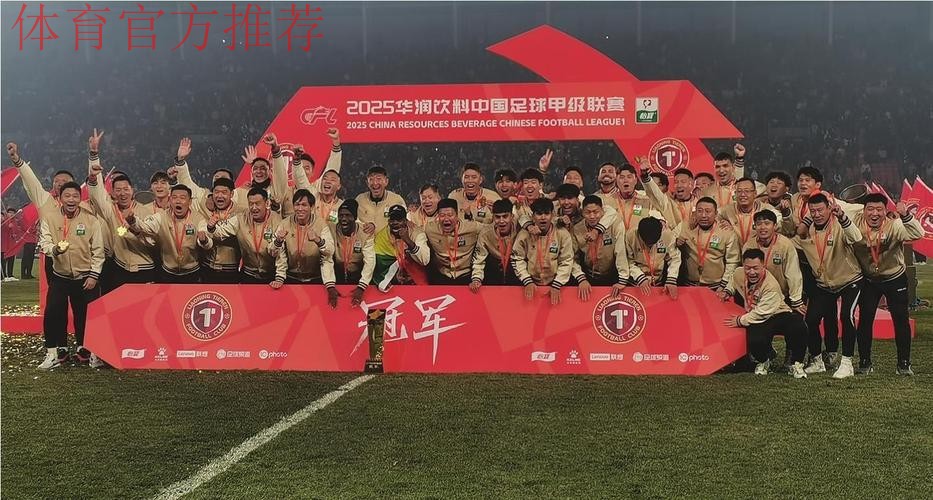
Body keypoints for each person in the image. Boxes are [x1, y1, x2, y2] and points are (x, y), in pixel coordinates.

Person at [792, 193, 863, 377]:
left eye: (820, 210)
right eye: (813, 211)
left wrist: (842, 217)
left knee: (846, 316)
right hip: (824, 284)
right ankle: (817, 361)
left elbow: (856, 237)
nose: (817, 214)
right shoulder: (807, 231)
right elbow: (793, 237)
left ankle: (847, 363)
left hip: (849, 280)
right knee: (811, 320)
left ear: (829, 209)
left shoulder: (839, 225)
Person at [852, 194, 923, 375]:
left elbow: (918, 233)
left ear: (886, 211)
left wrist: (905, 215)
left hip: (894, 278)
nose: (874, 214)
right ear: (863, 210)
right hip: (869, 280)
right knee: (865, 320)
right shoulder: (855, 220)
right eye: (870, 209)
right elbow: (840, 205)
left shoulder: (894, 225)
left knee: (901, 319)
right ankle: (865, 362)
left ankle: (904, 364)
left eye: (879, 209)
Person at [36, 182, 104, 369]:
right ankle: (52, 354)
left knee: (90, 316)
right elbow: (44, 242)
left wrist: (94, 275)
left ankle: (94, 353)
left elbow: (98, 251)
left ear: (80, 199)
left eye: (75, 196)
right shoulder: (50, 218)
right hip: (60, 276)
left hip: (85, 277)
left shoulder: (91, 220)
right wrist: (54, 250)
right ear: (60, 198)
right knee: (52, 313)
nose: (71, 200)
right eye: (67, 196)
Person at [86, 131, 157, 292]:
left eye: (126, 189)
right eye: (118, 190)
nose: (122, 193)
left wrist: (134, 227)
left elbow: (153, 242)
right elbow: (97, 193)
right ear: (112, 193)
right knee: (119, 308)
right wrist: (94, 155)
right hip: (120, 268)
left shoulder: (146, 211)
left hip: (145, 269)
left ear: (133, 190)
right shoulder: (110, 210)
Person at [721, 249, 808, 378]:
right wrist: (727, 291)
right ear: (743, 266)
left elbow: (761, 313)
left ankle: (796, 364)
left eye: (755, 268)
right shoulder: (738, 273)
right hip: (756, 313)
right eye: (748, 268)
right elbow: (733, 282)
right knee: (754, 339)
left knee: (799, 326)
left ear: (763, 266)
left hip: (777, 313)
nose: (751, 272)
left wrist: (739, 320)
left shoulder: (771, 286)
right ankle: (764, 360)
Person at [128, 185, 212, 284]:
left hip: (192, 273)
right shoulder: (161, 217)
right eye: (174, 197)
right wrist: (133, 220)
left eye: (182, 198)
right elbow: (144, 226)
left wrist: (204, 240)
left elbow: (208, 244)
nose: (178, 201)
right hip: (168, 273)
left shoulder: (199, 218)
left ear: (190, 202)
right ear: (170, 200)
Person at [206, 187, 287, 288]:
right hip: (248, 275)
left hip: (271, 276)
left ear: (267, 203)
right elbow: (220, 232)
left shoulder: (277, 220)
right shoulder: (240, 218)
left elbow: (280, 253)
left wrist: (279, 277)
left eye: (257, 204)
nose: (254, 208)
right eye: (251, 204)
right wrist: (211, 227)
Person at [271, 189, 336, 294]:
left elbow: (330, 252)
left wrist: (318, 240)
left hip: (315, 279)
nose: (300, 208)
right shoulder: (284, 224)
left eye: (304, 205)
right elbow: (273, 252)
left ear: (312, 207)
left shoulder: (321, 224)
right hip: (291, 278)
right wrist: (280, 277)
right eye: (297, 205)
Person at [512, 198, 574, 305]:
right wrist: (527, 280)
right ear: (533, 216)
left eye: (546, 213)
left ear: (552, 215)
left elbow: (567, 260)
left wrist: (557, 284)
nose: (543, 217)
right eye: (539, 214)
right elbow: (517, 258)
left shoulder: (562, 233)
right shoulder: (524, 234)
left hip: (556, 282)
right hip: (529, 282)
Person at [272, 129, 343, 218]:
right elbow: (298, 179)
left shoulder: (316, 190)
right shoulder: (286, 190)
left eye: (307, 168)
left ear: (313, 172)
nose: (303, 171)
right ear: (293, 169)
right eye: (301, 168)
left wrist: (336, 143)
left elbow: (331, 172)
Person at [571, 196, 629, 301]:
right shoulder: (577, 229)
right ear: (582, 213)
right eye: (587, 212)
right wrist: (581, 278)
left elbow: (620, 251)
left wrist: (622, 279)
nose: (592, 216)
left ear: (602, 211)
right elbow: (573, 258)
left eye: (596, 212)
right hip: (588, 276)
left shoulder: (615, 225)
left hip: (612, 275)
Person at [678, 197, 740, 289]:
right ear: (695, 213)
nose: (703, 215)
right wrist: (677, 243)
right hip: (689, 285)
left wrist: (724, 285)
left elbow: (732, 262)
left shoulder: (726, 232)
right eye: (700, 211)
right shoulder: (685, 227)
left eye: (708, 211)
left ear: (716, 214)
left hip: (716, 286)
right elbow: (670, 244)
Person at [423, 198, 482, 285]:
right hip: (442, 276)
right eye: (442, 215)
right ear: (438, 216)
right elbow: (416, 232)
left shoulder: (472, 227)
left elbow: (489, 229)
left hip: (466, 277)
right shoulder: (430, 229)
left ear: (457, 215)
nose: (446, 219)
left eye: (450, 215)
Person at [372, 205, 430, 291]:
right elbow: (378, 263)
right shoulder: (382, 236)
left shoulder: (417, 233)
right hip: (392, 281)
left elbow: (425, 260)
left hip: (415, 279)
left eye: (399, 220)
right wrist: (393, 277)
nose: (395, 222)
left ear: (405, 221)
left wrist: (408, 241)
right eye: (392, 220)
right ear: (388, 221)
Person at [718, 177, 789, 246]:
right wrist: (722, 225)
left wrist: (786, 213)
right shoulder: (726, 211)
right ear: (735, 194)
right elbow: (714, 219)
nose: (743, 195)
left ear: (755, 193)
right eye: (739, 191)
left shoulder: (768, 210)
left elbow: (785, 231)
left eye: (747, 191)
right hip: (734, 251)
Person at [330, 199, 375, 307]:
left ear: (355, 217)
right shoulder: (331, 229)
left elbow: (370, 261)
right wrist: (330, 285)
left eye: (348, 215)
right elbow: (326, 258)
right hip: (337, 280)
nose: (343, 219)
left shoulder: (365, 232)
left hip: (359, 280)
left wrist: (362, 286)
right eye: (341, 215)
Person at [471, 199, 521, 290]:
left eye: (505, 216)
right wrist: (476, 279)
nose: (501, 221)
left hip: (517, 271)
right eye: (497, 217)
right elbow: (478, 260)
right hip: (494, 274)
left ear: (512, 216)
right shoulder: (485, 234)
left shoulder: (520, 230)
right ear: (493, 217)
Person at [625, 217, 681, 298]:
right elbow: (628, 261)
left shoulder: (667, 235)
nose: (650, 246)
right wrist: (639, 277)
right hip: (635, 283)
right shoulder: (631, 235)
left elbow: (674, 258)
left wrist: (672, 278)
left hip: (658, 283)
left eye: (653, 244)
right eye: (647, 244)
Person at [201, 178, 244, 283]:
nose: (219, 196)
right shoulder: (206, 208)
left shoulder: (241, 213)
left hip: (230, 270)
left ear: (232, 194)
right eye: (216, 192)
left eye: (224, 192)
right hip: (206, 267)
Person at [355, 166, 407, 235]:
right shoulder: (359, 200)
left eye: (379, 179)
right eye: (371, 179)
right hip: (365, 241)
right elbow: (354, 222)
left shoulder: (397, 200)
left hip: (388, 241)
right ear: (367, 183)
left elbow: (404, 224)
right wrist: (363, 225)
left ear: (386, 181)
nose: (375, 183)